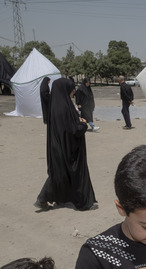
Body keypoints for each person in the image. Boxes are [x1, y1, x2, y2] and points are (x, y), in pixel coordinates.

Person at [35, 77, 97, 211]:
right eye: (71, 90)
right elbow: (73, 131)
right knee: (61, 173)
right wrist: (82, 124)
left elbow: (44, 94)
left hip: (58, 145)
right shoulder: (63, 107)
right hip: (66, 147)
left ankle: (54, 199)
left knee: (60, 172)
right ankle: (43, 198)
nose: (73, 92)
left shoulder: (56, 104)